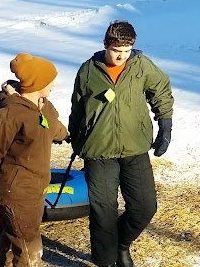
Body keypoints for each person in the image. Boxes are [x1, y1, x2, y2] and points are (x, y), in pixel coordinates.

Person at [69, 21, 174, 267]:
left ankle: (121, 244)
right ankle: (105, 261)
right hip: (99, 151)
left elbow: (160, 90)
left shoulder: (141, 66)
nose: (122, 56)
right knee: (103, 212)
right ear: (106, 45)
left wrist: (165, 125)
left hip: (134, 147)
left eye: (127, 50)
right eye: (117, 50)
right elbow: (77, 109)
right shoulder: (88, 71)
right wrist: (77, 140)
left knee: (145, 207)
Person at [0, 53, 68, 267]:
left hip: (36, 187)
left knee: (12, 237)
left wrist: (66, 135)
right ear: (36, 83)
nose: (55, 84)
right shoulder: (10, 116)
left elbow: (53, 124)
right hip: (16, 191)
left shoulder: (44, 106)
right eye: (50, 80)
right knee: (28, 247)